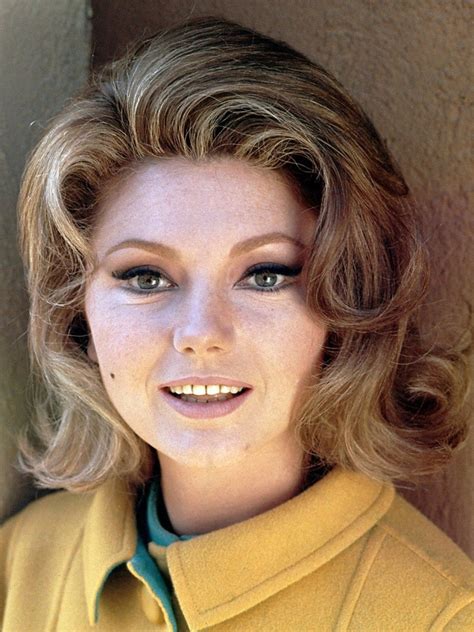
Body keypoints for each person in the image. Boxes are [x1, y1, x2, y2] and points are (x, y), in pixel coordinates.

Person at [1, 16, 472, 631]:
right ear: (77, 310)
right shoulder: (19, 563)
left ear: (348, 305)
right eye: (145, 277)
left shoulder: (439, 616)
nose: (201, 332)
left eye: (265, 275)